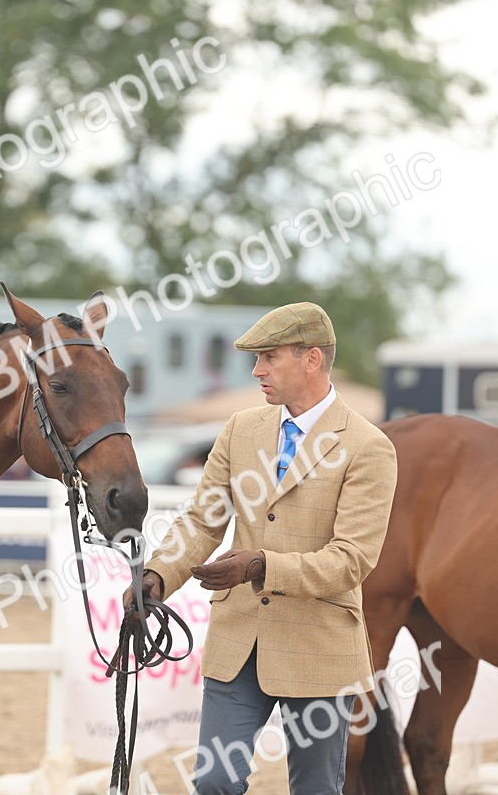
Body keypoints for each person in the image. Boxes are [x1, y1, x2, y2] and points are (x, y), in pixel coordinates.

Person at [124, 302, 398, 794]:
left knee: (315, 789)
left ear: (310, 359)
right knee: (213, 781)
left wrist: (261, 565)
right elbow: (204, 520)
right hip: (238, 642)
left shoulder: (368, 446)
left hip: (320, 648)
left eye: (269, 357)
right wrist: (158, 576)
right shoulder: (240, 429)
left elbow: (352, 559)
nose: (256, 371)